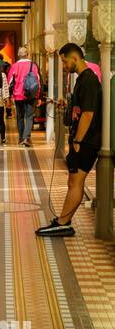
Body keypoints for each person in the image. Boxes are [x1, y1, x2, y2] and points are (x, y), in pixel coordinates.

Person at [36, 42, 103, 237]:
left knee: (76, 181)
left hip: (87, 141)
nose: (64, 67)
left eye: (65, 62)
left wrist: (78, 141)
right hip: (82, 139)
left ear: (75, 58)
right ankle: (63, 221)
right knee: (73, 181)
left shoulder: (89, 80)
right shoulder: (82, 79)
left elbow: (88, 114)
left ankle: (63, 223)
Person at [7, 45, 41, 148]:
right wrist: (38, 96)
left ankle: (21, 138)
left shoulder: (14, 66)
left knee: (20, 117)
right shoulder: (33, 65)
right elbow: (38, 81)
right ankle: (27, 138)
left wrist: (9, 96)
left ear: (18, 55)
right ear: (27, 54)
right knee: (29, 117)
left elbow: (9, 82)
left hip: (18, 95)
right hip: (30, 95)